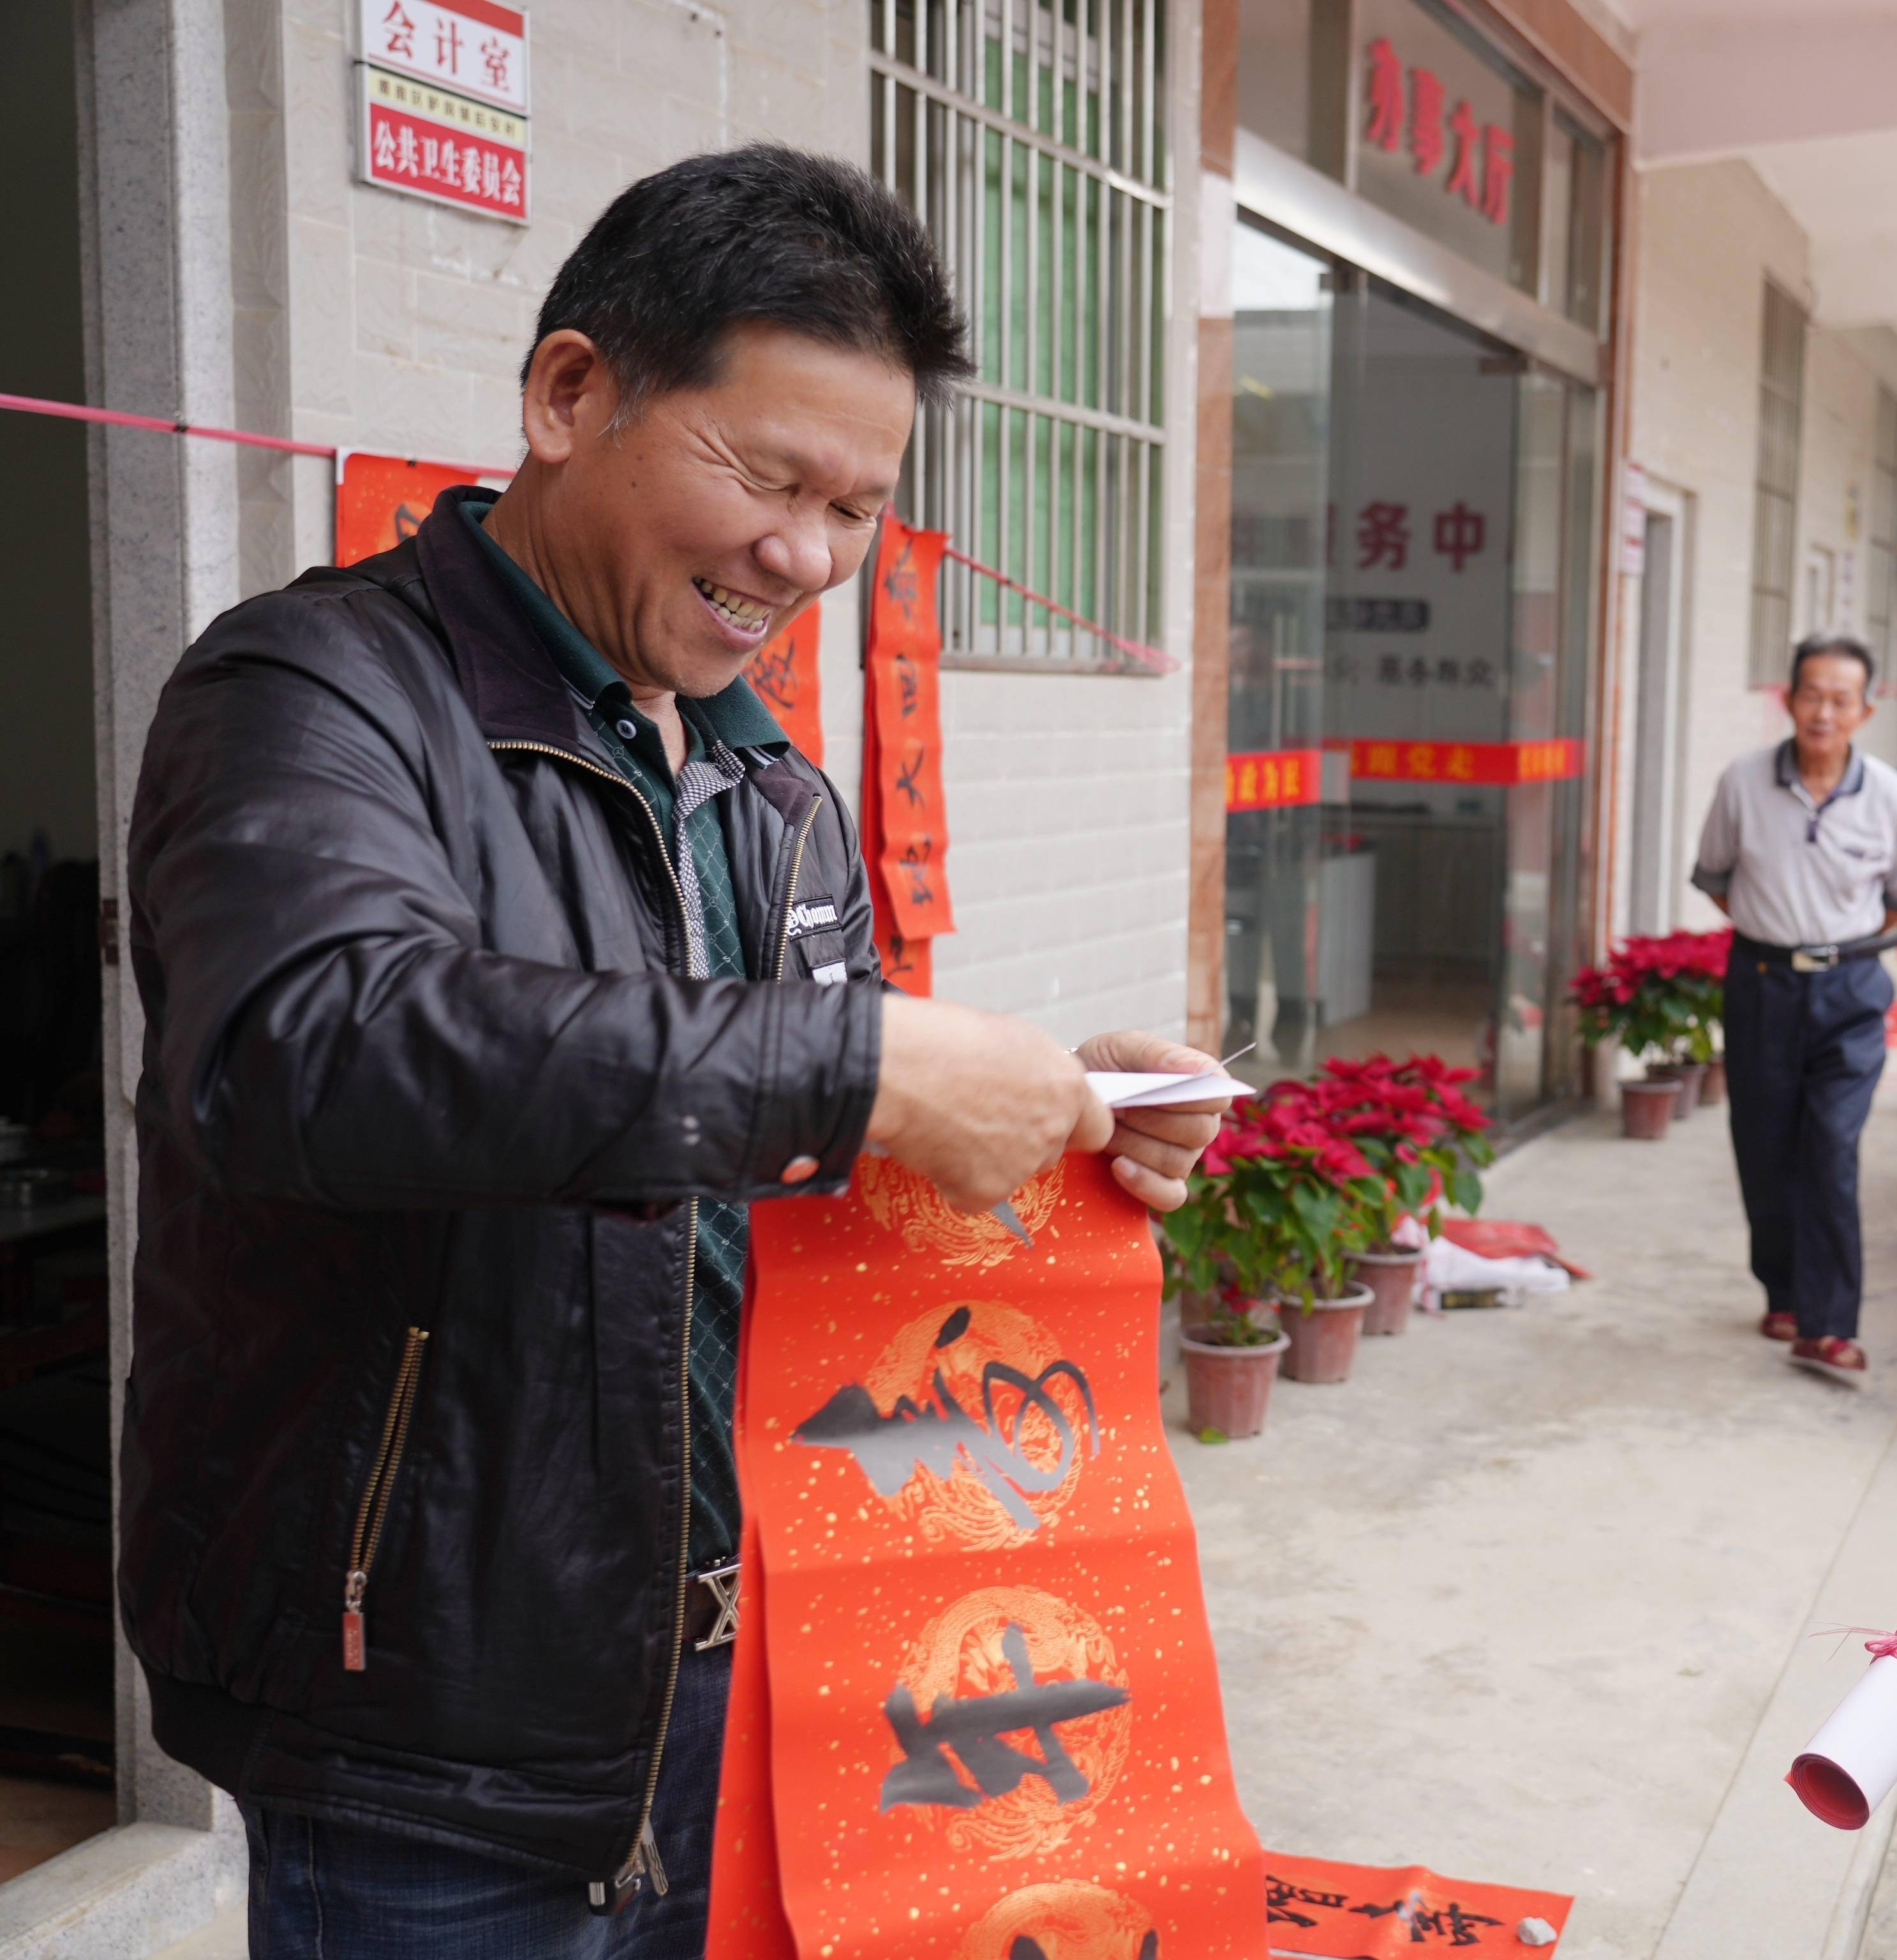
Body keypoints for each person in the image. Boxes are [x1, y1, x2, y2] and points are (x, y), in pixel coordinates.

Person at [118, 147, 1225, 1952]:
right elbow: (309, 1048)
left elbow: (796, 1145)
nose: (806, 555)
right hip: (437, 1733)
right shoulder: (312, 693)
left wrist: (1059, 1124)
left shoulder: (774, 786)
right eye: (768, 477)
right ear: (570, 395)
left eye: (855, 509)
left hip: (776, 1679)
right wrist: (866, 1068)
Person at [1691, 634, 1897, 1380]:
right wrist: (1776, 933)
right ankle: (1784, 1291)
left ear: (1864, 710)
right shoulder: (1743, 781)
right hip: (1761, 982)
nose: (1824, 712)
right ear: (1789, 700)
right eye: (1811, 695)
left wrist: (1828, 944)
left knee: (1830, 1145)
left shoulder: (1889, 795)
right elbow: (1715, 878)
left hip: (1851, 989)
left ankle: (1829, 1325)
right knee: (1764, 1145)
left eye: (1840, 699)